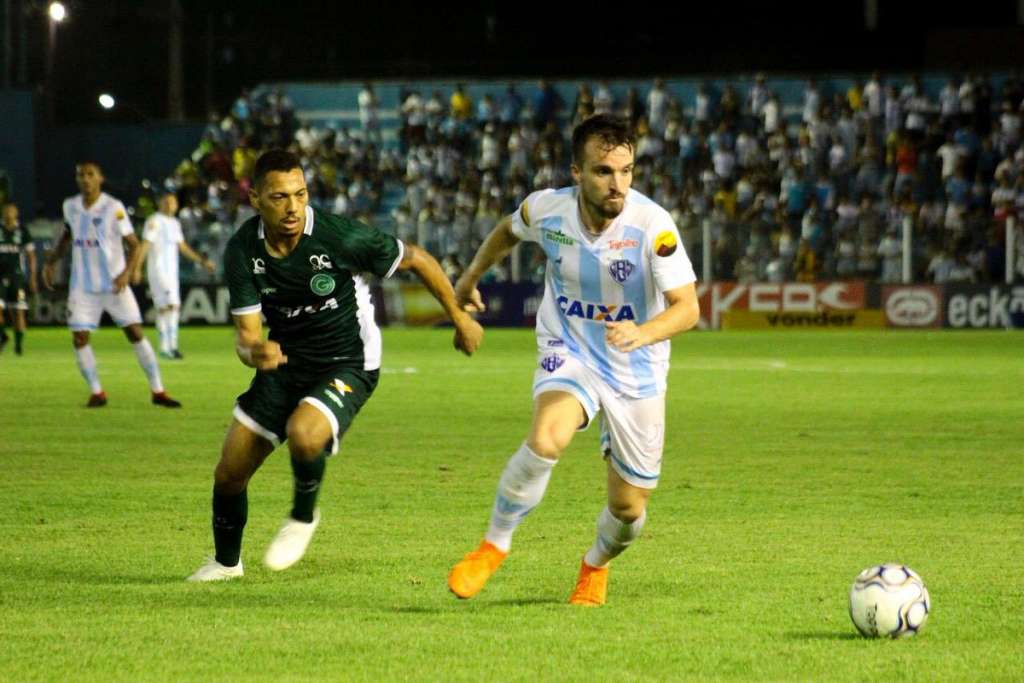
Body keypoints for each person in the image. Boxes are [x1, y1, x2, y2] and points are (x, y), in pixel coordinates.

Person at [187, 150, 483, 582]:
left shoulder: (338, 237)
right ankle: (226, 564)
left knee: (305, 435)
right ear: (256, 200)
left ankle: (303, 516)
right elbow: (247, 336)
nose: (292, 207)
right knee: (230, 472)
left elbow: (416, 258)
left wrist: (459, 318)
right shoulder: (242, 251)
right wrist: (256, 352)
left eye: (300, 194)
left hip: (349, 360)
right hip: (286, 364)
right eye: (280, 196)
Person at [447, 115, 700, 606]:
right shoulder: (548, 209)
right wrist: (470, 276)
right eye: (604, 171)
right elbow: (507, 230)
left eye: (626, 171)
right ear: (577, 173)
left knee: (628, 510)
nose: (617, 183)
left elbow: (688, 308)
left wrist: (641, 332)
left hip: (636, 367)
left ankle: (595, 564)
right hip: (571, 347)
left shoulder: (652, 225)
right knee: (546, 438)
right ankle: (493, 546)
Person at [42, 161, 181, 408]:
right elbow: (67, 234)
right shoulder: (70, 206)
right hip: (83, 286)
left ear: (100, 179)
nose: (85, 179)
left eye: (90, 174)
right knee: (79, 338)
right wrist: (52, 260)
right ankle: (97, 392)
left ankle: (158, 390)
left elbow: (134, 244)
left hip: (114, 283)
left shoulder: (113, 207)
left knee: (135, 333)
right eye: (80, 175)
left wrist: (127, 273)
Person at [132, 192, 216, 359]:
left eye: (172, 202)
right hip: (158, 271)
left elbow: (183, 247)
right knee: (167, 307)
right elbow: (145, 245)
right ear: (160, 203)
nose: (170, 205)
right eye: (166, 201)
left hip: (172, 273)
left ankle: (172, 347)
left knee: (173, 307)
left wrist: (202, 261)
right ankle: (165, 348)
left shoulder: (174, 223)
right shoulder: (154, 221)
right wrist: (137, 268)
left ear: (177, 205)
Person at [0, 201, 37, 355]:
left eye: (12, 210)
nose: (9, 213)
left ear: (16, 213)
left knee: (18, 312)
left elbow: (31, 256)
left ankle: (18, 346)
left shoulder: (23, 231)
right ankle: (3, 336)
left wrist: (33, 277)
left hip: (17, 277)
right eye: (6, 210)